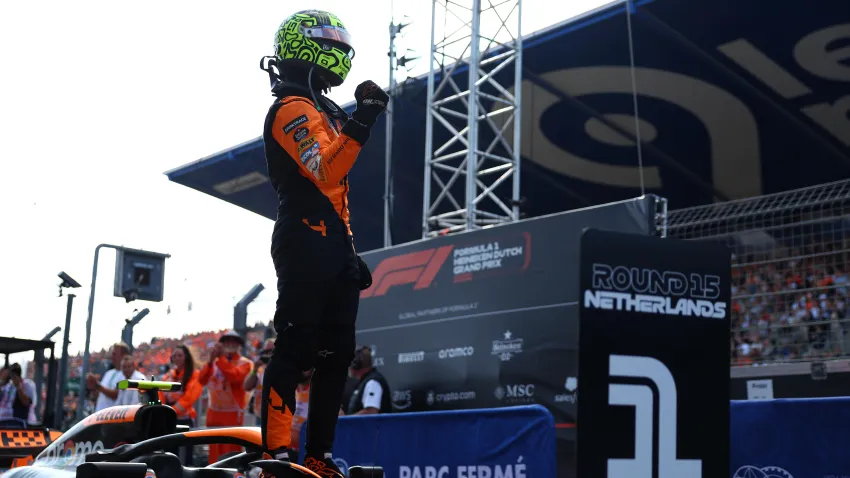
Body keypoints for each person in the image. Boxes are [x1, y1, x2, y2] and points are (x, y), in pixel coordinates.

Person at [258, 8, 387, 478]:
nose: (338, 46)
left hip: (334, 245)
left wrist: (349, 252)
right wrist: (364, 121)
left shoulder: (320, 110)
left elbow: (336, 194)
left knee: (337, 357)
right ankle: (274, 455)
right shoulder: (291, 108)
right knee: (295, 349)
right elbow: (328, 170)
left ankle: (319, 456)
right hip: (303, 241)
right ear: (302, 46)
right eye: (328, 37)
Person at [198, 330, 253, 464]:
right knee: (214, 454)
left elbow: (235, 377)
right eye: (226, 341)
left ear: (239, 345)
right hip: (214, 413)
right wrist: (210, 361)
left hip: (232, 414)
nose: (230, 344)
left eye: (233, 341)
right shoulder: (215, 363)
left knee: (230, 453)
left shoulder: (245, 363)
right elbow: (201, 379)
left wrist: (220, 359)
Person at [160, 344, 202, 466]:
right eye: (174, 356)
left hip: (185, 422)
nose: (176, 358)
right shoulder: (167, 376)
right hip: (169, 422)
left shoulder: (194, 375)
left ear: (186, 357)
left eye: (180, 355)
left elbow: (189, 398)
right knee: (169, 456)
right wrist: (164, 412)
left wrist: (169, 412)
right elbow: (160, 394)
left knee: (185, 459)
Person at [345, 346, 391, 415]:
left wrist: (346, 420)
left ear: (355, 364)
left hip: (376, 426)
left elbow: (371, 412)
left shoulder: (373, 382)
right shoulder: (363, 382)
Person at [86, 342, 132, 412]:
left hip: (111, 419)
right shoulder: (108, 373)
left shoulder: (126, 374)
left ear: (123, 355)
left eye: (114, 354)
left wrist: (97, 385)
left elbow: (116, 395)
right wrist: (93, 387)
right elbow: (100, 395)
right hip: (100, 416)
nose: (112, 356)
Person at [244, 339, 275, 426]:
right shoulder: (259, 369)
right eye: (266, 352)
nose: (269, 354)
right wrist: (255, 369)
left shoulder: (284, 367)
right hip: (261, 415)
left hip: (278, 415)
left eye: (272, 351)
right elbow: (246, 387)